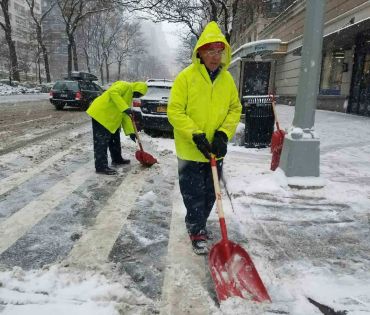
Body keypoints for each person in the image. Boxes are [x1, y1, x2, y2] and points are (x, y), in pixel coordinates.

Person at [167, 21, 242, 255]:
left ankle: (199, 223)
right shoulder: (186, 78)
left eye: (219, 51)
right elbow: (175, 111)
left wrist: (223, 134)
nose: (215, 56)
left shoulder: (227, 80)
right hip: (191, 151)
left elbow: (234, 108)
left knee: (211, 193)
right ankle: (196, 229)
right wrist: (195, 134)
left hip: (214, 150)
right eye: (210, 50)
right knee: (193, 194)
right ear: (200, 51)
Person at [86, 81, 148, 175]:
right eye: (138, 93)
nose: (137, 96)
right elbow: (113, 92)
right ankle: (101, 166)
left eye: (139, 95)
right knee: (101, 142)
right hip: (101, 114)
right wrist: (124, 108)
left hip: (110, 119)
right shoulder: (125, 85)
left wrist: (131, 132)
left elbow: (126, 116)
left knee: (114, 138)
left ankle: (117, 159)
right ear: (136, 88)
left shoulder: (129, 97)